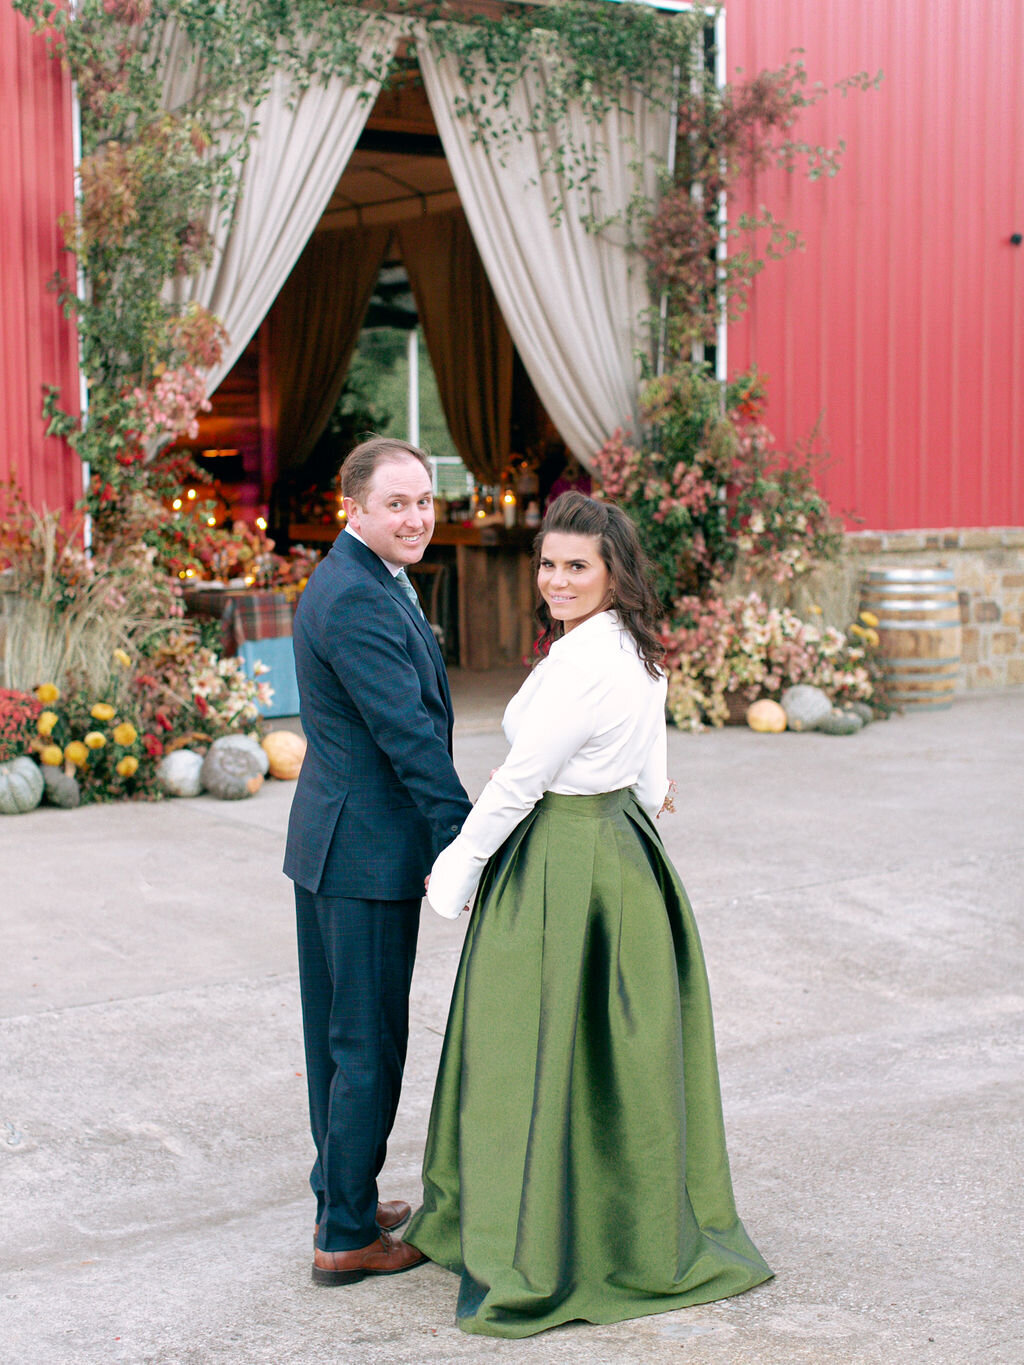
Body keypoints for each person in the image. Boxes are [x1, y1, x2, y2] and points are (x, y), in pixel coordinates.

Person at [405, 490, 773, 1337]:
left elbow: (518, 781)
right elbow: (651, 742)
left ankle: (542, 1239)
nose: (557, 580)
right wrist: (650, 788)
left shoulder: (581, 662)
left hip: (565, 859)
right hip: (622, 852)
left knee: (527, 1045)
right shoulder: (628, 644)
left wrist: (456, 870)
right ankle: (618, 1222)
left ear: (612, 573)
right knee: (611, 1053)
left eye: (577, 566)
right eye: (548, 564)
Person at [284, 436, 472, 1287]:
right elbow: (408, 735)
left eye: (424, 501)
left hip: (333, 841)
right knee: (368, 1044)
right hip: (362, 854)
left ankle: (343, 1191)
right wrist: (464, 837)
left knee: (339, 1040)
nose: (416, 517)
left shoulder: (359, 577)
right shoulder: (357, 597)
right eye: (397, 503)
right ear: (352, 508)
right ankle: (347, 1236)